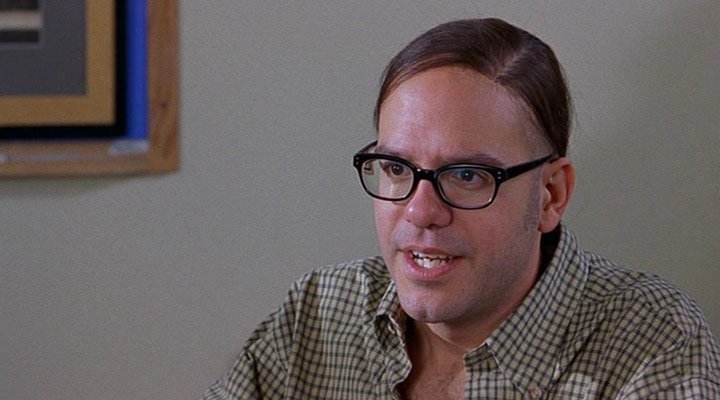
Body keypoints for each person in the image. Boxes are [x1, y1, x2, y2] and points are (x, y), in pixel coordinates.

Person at [202, 18, 719, 399]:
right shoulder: (318, 313)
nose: (420, 212)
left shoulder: (652, 339)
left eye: (468, 175)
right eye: (397, 168)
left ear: (551, 195)